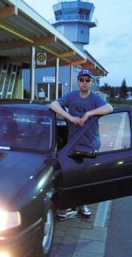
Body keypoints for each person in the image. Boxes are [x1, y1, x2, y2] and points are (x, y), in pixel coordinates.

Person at [49, 69, 113, 220]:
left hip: (91, 145)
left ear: (91, 82)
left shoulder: (95, 98)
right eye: (81, 79)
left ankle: (82, 205)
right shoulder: (71, 96)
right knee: (72, 176)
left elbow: (109, 108)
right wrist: (69, 117)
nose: (84, 82)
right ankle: (69, 206)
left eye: (87, 80)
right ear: (78, 81)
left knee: (87, 177)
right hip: (73, 145)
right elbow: (53, 105)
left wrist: (89, 114)